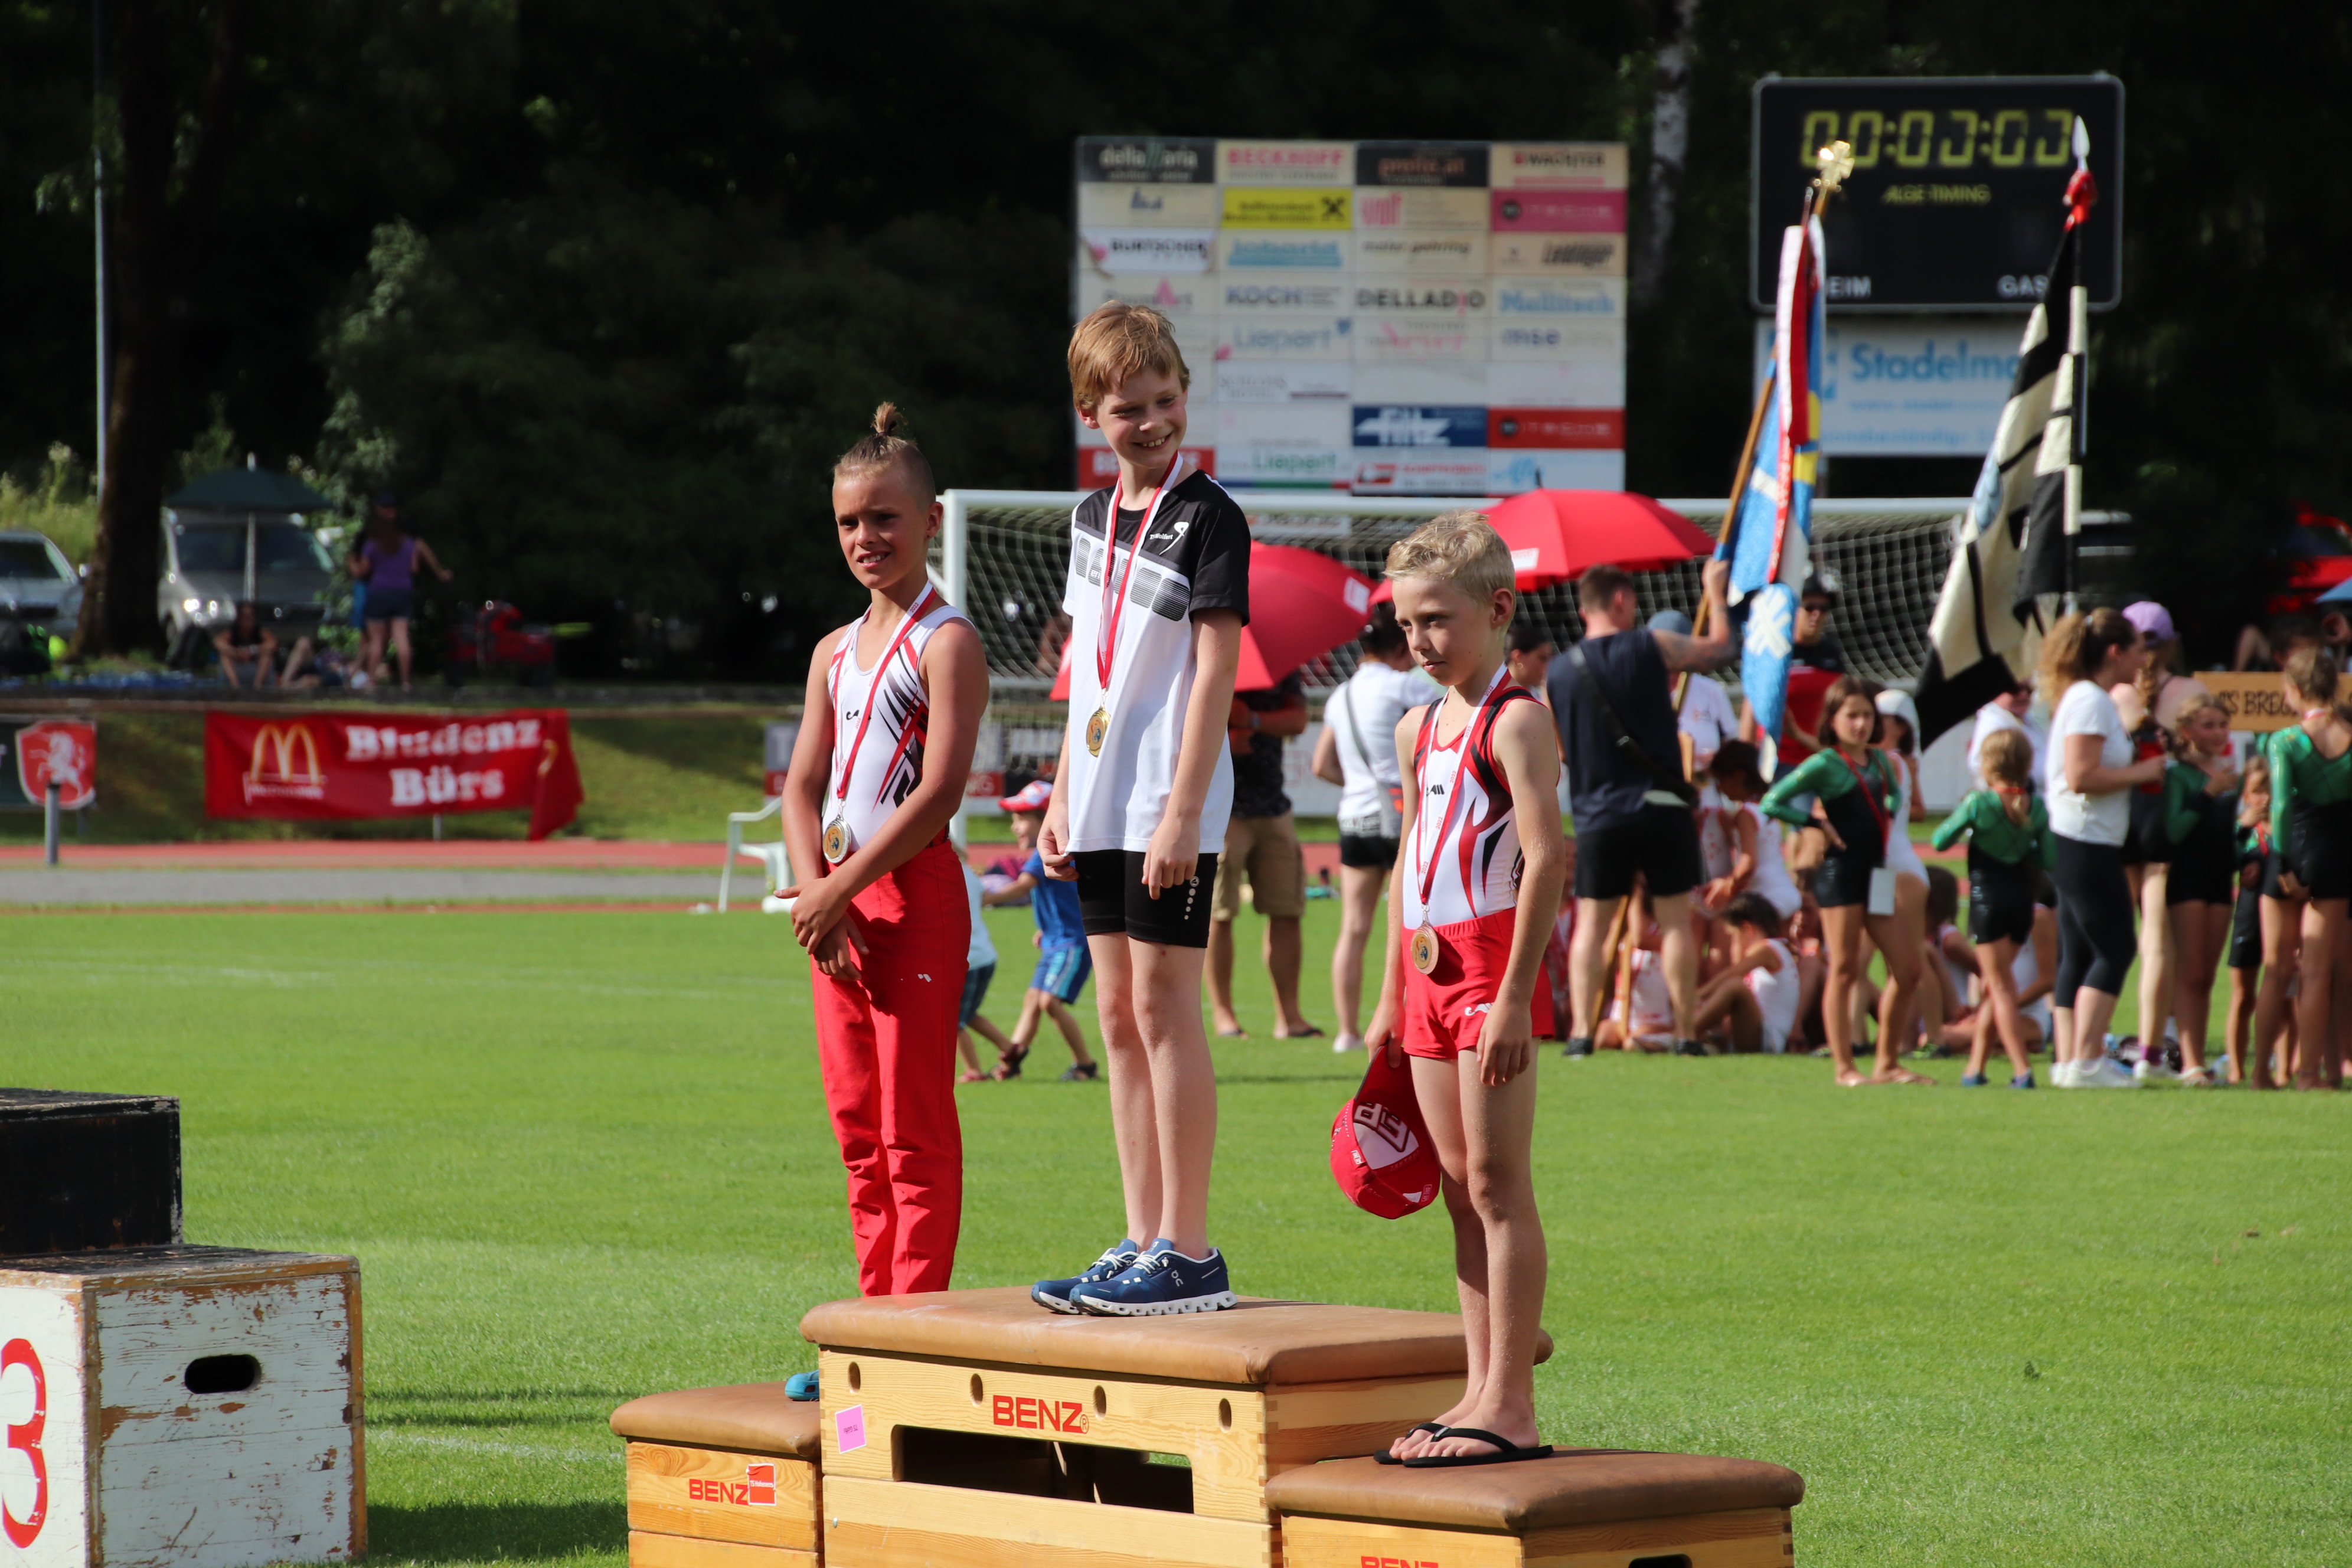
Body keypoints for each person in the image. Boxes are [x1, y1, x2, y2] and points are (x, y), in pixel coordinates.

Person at [1032, 302, 1248, 1317]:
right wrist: (1062, 790)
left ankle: (1188, 1249)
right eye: (1129, 408)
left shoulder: (1210, 516)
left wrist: (1181, 812)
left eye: (1166, 400)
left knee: (1165, 1012)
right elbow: (1090, 666)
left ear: (1185, 395)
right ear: (1091, 413)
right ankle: (1137, 1238)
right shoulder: (1089, 519)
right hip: (1100, 795)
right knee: (1116, 1016)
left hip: (1168, 796)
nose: (1152, 421)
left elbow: (1214, 674)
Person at [1365, 511, 1564, 1466]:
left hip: (1489, 966)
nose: (1419, 640)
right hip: (1425, 971)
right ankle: (1478, 1387)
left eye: (1437, 620)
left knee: (1496, 1183)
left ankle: (1511, 1406)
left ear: (1498, 610)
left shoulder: (1515, 719)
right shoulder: (1417, 727)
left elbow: (1546, 857)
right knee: (1455, 1188)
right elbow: (1409, 860)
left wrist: (1517, 994)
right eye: (1407, 623)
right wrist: (1387, 993)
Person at [776, 404, 989, 1295]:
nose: (866, 537)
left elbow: (939, 793)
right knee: (859, 1128)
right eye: (848, 522)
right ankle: (872, 1321)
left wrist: (837, 889)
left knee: (913, 1128)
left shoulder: (948, 641)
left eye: (885, 517)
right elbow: (800, 787)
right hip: (835, 906)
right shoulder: (833, 651)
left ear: (932, 519)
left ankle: (915, 1327)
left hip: (913, 897)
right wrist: (815, 892)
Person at [1549, 557, 1735, 1059]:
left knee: (1593, 923)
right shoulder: (1651, 646)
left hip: (1598, 813)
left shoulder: (1559, 672)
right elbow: (1721, 649)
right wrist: (1715, 591)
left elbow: (1561, 749)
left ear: (1584, 608)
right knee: (1674, 920)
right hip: (1662, 805)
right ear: (1621, 600)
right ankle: (1686, 1033)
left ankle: (1581, 1035)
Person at [1758, 676, 1928, 1086]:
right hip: (1841, 876)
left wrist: (1888, 811)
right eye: (1852, 715)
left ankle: (1887, 1063)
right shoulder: (1826, 764)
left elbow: (1893, 798)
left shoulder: (1882, 761)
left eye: (1868, 715)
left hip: (1877, 874)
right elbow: (1772, 801)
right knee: (1846, 968)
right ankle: (1845, 1068)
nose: (1861, 724)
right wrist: (1815, 823)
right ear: (1833, 720)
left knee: (1908, 970)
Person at [2039, 607, 2165, 1089]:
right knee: (2116, 947)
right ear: (2115, 652)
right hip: (2085, 838)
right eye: (2137, 649)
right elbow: (2081, 775)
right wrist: (2142, 771)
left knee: (2078, 951)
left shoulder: (2085, 697)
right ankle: (2089, 1061)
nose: (2144, 659)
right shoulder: (2091, 700)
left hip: (2077, 838)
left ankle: (2069, 1062)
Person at [1311, 604, 1440, 1054]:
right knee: (1415, 921)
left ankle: (1346, 1031)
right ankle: (1414, 1021)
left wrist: (1359, 784)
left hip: (1355, 817)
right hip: (1404, 815)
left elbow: (1321, 764)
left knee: (1353, 927)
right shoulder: (1408, 686)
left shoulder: (1340, 695)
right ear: (1402, 647)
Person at [1932, 727, 2054, 1088]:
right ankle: (1975, 1068)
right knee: (1997, 986)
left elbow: (1940, 840)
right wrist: (2024, 842)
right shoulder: (2036, 806)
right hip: (2022, 902)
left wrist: (1969, 819)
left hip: (1989, 902)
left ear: (1988, 764)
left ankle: (2022, 1070)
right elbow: (2050, 858)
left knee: (2000, 988)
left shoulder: (1979, 803)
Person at [1207, 669, 1319, 1040]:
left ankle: (1290, 1018)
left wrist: (1251, 720)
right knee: (1218, 914)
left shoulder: (1278, 666)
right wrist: (1226, 731)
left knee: (1287, 911)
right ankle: (1224, 1015)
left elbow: (1298, 719)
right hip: (1220, 808)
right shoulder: (1202, 654)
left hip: (1273, 805)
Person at [2266, 646, 2352, 1090]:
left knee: (2292, 970)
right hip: (2339, 855)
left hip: (2299, 852)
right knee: (2327, 971)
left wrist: (2282, 862)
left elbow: (2281, 806)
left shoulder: (2285, 741)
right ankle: (2319, 1072)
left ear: (2295, 689)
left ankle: (2282, 1073)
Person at [982, 780, 1099, 1082]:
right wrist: (1044, 928)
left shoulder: (1045, 854)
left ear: (1047, 819)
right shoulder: (1051, 853)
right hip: (1054, 940)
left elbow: (1022, 887)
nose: (1014, 827)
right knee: (1033, 1001)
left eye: (1022, 818)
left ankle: (1085, 1064)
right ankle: (1012, 1060)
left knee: (1049, 1002)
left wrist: (981, 898)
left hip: (1071, 942)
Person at [2159, 697, 2240, 1086]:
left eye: (2223, 724)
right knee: (2190, 972)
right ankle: (2190, 1062)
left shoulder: (2229, 773)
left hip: (2221, 879)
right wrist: (2209, 793)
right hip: (2188, 877)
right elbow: (2173, 831)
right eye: (2209, 725)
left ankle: (2197, 1058)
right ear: (2187, 731)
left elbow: (2230, 833)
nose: (2218, 732)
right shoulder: (2179, 775)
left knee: (2207, 975)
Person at [1872, 688, 1936, 1066]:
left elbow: (1910, 810)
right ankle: (1895, 1042)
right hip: (1887, 868)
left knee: (1907, 964)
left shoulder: (1890, 761)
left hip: (1896, 869)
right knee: (1889, 962)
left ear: (1898, 726)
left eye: (1878, 718)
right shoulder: (1897, 761)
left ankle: (1912, 1039)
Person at [347, 489, 451, 691]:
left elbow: (363, 569)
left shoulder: (372, 542)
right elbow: (414, 567)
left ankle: (371, 681)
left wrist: (356, 566)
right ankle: (406, 681)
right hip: (403, 591)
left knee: (376, 641)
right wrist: (439, 572)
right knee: (402, 637)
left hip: (379, 591)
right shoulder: (409, 542)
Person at [1701, 741, 1803, 924]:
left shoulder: (1746, 814)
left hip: (1766, 897)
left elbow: (1748, 864)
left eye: (1721, 780)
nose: (1719, 788)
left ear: (1739, 775)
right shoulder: (1767, 806)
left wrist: (1727, 885)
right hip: (1787, 891)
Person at [2223, 757, 2279, 1086]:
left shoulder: (2287, 828)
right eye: (2257, 790)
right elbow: (2222, 861)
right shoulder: (2241, 831)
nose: (2265, 797)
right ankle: (2236, 1069)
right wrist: (2242, 835)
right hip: (2248, 919)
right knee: (2243, 996)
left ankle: (2282, 1069)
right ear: (2244, 795)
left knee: (2285, 998)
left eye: (2270, 789)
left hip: (2283, 922)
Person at [956, 863, 1020, 1084]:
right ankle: (1011, 1050)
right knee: (968, 1014)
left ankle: (973, 1071)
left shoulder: (945, 874)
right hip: (984, 954)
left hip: (967, 957)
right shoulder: (968, 872)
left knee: (952, 1019)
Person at [1968, 679, 2047, 787]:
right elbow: (1982, 768)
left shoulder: (2028, 719)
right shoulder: (1993, 725)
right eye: (2014, 690)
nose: (2023, 695)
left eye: (2029, 690)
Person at [213, 602, 278, 689]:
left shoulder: (260, 631)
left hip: (256, 668)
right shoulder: (233, 631)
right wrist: (237, 653)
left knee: (267, 655)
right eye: (244, 616)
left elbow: (272, 644)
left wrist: (253, 651)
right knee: (224, 656)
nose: (248, 619)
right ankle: (236, 688)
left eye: (251, 615)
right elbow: (218, 643)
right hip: (237, 667)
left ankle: (258, 687)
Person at [1504, 618, 1554, 692]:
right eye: (1543, 658)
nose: (1548, 666)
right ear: (1518, 657)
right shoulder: (1490, 692)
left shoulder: (1543, 694)